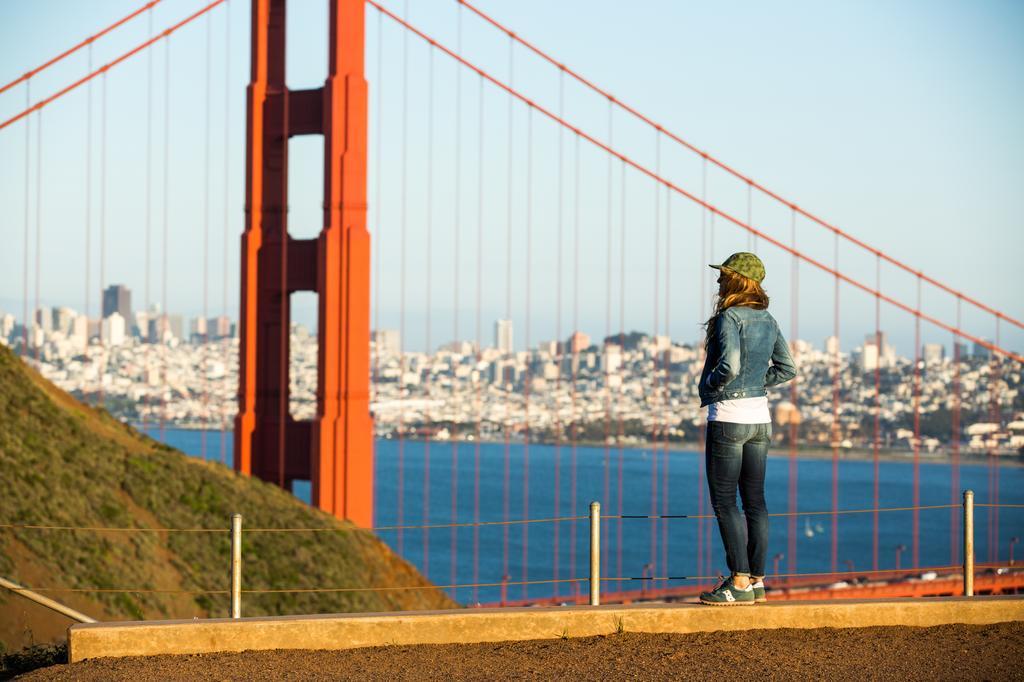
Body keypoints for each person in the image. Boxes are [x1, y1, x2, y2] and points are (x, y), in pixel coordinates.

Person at [696, 252, 797, 606]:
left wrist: (714, 383)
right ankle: (756, 582)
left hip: (728, 417)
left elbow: (730, 364)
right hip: (760, 419)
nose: (718, 281)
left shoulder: (729, 317)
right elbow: (788, 368)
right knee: (755, 502)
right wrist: (757, 384)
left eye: (723, 276)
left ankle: (737, 582)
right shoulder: (768, 319)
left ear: (735, 280)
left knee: (725, 502)